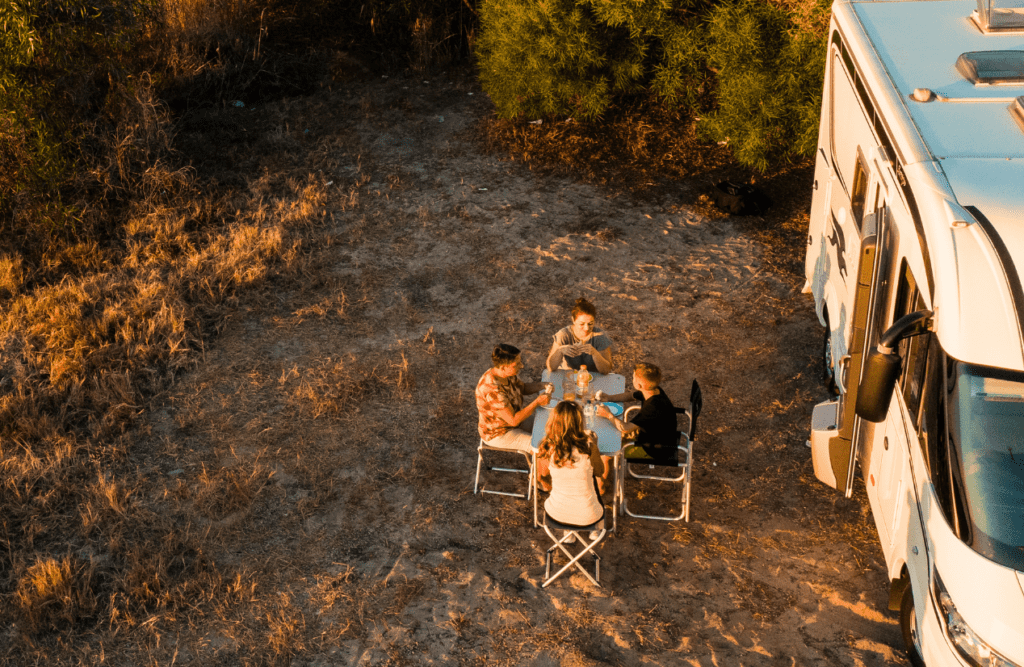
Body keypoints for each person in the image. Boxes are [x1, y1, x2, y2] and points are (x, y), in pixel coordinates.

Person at [476, 343, 553, 488]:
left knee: (550, 428)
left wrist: (542, 385)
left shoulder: (507, 375)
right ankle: (539, 481)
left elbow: (522, 388)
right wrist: (537, 402)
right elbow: (513, 420)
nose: (522, 366)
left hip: (514, 421)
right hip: (499, 432)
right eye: (516, 364)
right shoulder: (492, 389)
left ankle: (542, 472)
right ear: (503, 367)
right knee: (542, 447)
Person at [537, 401, 605, 538]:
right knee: (590, 477)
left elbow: (542, 474)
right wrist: (595, 447)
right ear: (580, 423)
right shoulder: (589, 447)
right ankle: (593, 531)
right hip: (589, 516)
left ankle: (568, 533)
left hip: (556, 513)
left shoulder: (547, 446)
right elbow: (599, 472)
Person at [596, 362, 677, 458]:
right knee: (609, 436)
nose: (632, 379)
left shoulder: (652, 408)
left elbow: (625, 428)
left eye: (633, 378)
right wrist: (609, 398)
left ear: (639, 386)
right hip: (658, 436)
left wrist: (607, 414)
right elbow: (630, 395)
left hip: (656, 450)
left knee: (606, 451)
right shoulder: (652, 390)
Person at [546, 297, 613, 374]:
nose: (586, 328)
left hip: (592, 377)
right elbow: (550, 367)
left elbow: (606, 370)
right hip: (568, 375)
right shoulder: (564, 335)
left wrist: (595, 353)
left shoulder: (601, 336)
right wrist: (560, 350)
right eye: (582, 324)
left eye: (590, 324)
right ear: (573, 320)